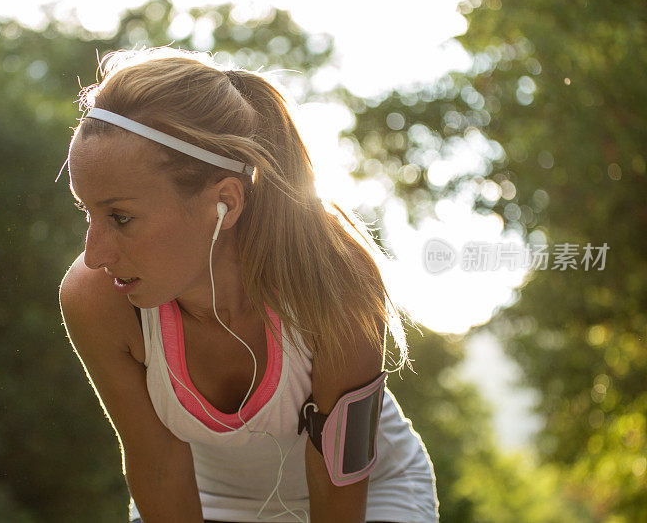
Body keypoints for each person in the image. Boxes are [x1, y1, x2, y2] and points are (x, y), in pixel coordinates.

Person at [58, 46, 438, 523]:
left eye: (120, 217)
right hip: (206, 500)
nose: (95, 254)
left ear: (225, 203)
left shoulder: (336, 276)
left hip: (371, 495)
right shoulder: (96, 298)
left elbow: (339, 475)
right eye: (87, 212)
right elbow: (157, 464)